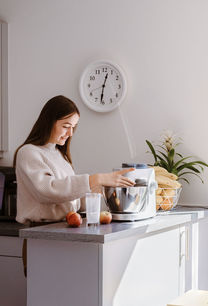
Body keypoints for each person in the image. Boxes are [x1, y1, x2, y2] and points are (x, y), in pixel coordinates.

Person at [13, 95, 135, 226]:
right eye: (66, 126)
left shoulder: (60, 155)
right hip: (39, 231)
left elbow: (72, 198)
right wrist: (95, 179)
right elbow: (47, 191)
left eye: (73, 127)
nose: (70, 133)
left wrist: (103, 188)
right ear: (49, 122)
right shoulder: (28, 153)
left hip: (66, 225)